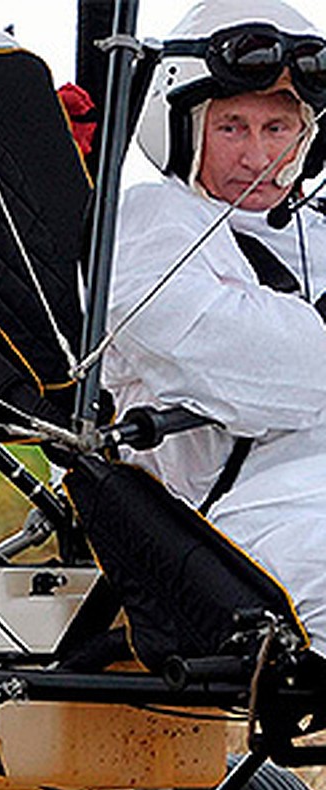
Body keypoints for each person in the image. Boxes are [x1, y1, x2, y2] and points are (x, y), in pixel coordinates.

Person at [103, 0, 326, 649]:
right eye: (231, 127)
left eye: (278, 128)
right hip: (245, 531)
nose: (257, 154)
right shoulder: (152, 223)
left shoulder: (315, 230)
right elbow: (261, 375)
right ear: (185, 126)